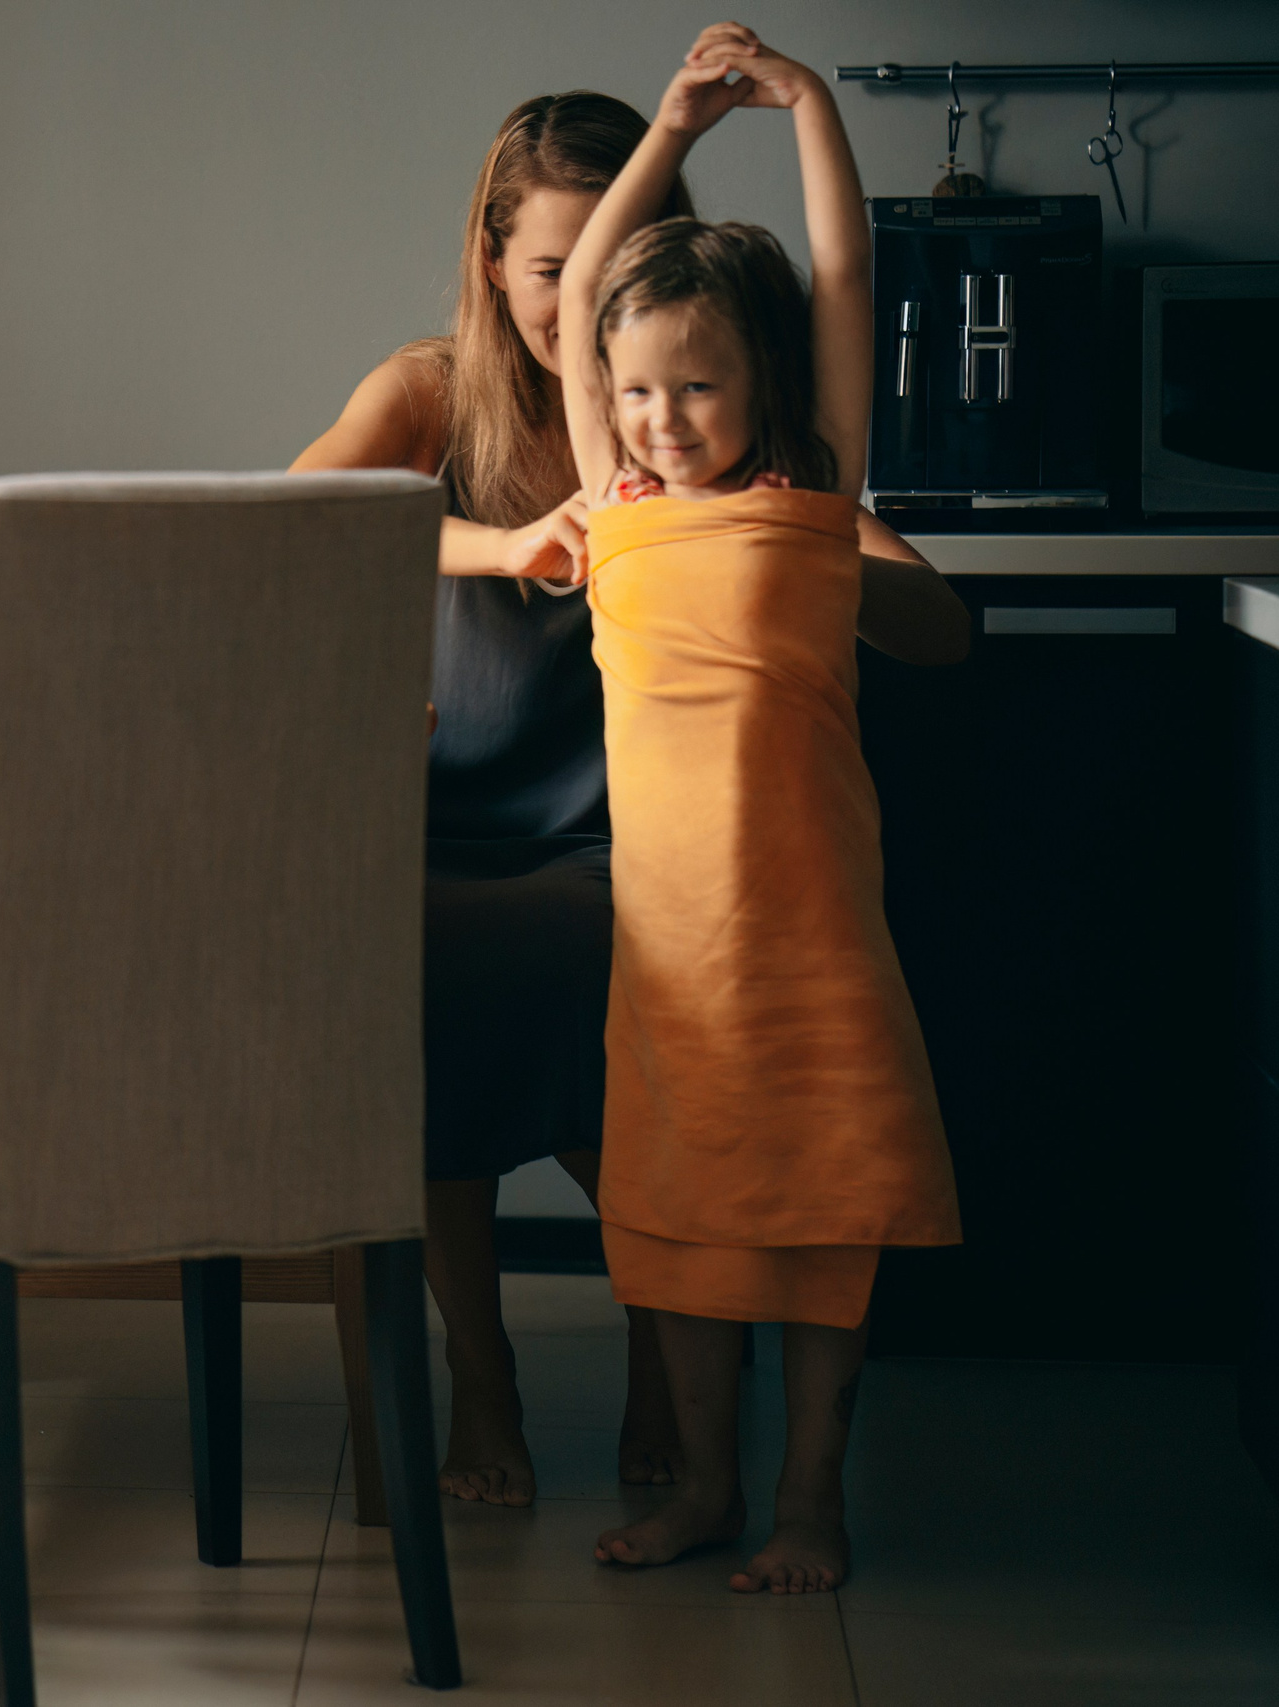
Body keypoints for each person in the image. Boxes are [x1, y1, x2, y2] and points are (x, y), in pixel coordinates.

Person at [290, 92, 966, 1507]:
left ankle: (681, 1378)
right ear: (492, 264)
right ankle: (487, 1383)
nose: (586, 297)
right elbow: (299, 513)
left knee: (635, 987)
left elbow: (908, 594)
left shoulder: (723, 444)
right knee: (413, 986)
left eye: (628, 247)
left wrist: (823, 577)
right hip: (454, 817)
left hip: (624, 843)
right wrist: (513, 542)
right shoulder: (456, 397)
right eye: (557, 268)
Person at [560, 23, 963, 1593]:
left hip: (811, 944)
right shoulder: (616, 513)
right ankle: (711, 1489)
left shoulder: (817, 502)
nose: (661, 420)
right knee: (687, 1242)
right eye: (638, 392)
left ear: (764, 386)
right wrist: (667, 128)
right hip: (670, 957)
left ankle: (812, 1503)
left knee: (820, 1236)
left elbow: (849, 280)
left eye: (699, 387)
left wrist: (806, 109)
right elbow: (602, 269)